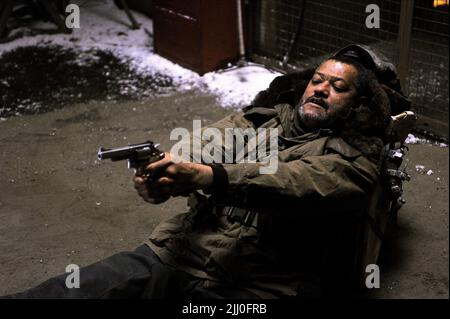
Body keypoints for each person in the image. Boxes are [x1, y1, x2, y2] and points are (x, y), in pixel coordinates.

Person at [3, 44, 411, 299]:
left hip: (262, 283)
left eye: (338, 87)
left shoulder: (356, 157)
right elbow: (209, 140)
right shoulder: (264, 118)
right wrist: (170, 171)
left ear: (359, 104)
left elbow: (295, 183)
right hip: (182, 250)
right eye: (317, 80)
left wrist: (209, 177)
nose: (320, 89)